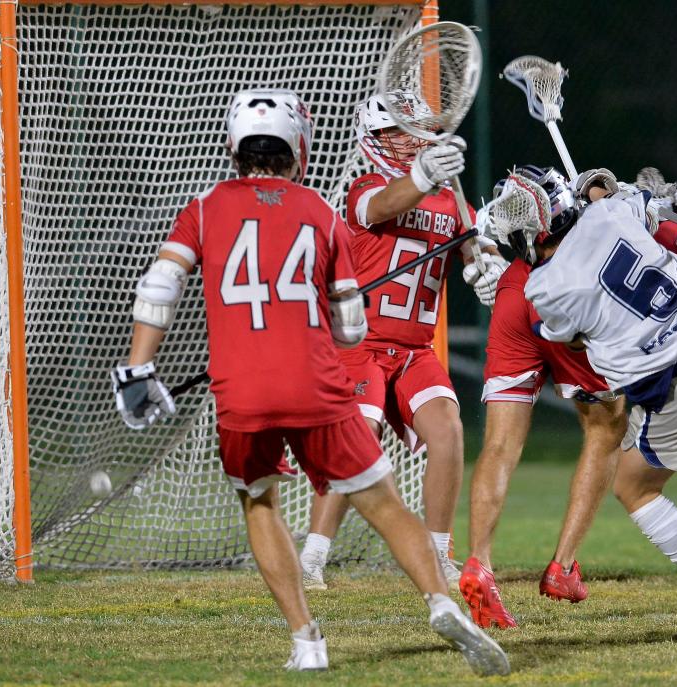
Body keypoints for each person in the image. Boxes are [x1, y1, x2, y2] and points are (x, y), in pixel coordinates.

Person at [110, 89, 509, 675]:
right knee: (381, 497)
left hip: (240, 387)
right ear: (300, 146)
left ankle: (306, 642)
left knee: (259, 501)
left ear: (233, 146)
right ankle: (439, 601)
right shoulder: (323, 208)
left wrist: (139, 370)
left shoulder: (204, 207)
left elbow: (160, 287)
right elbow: (350, 327)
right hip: (317, 378)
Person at [485, 165, 677, 625]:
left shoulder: (544, 286)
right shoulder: (608, 212)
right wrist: (606, 192)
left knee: (633, 487)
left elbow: (569, 338)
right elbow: (642, 199)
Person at [296, 91, 507, 590]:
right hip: (358, 345)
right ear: (374, 139)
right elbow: (383, 205)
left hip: (413, 350)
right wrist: (423, 176)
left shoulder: (452, 199)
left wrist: (487, 271)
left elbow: (478, 254)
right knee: (359, 438)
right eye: (399, 132)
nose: (412, 141)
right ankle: (312, 558)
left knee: (449, 431)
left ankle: (437, 554)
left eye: (416, 131)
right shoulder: (363, 186)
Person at [460, 166, 626, 628]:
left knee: (499, 445)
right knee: (605, 426)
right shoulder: (584, 222)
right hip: (566, 292)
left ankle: (479, 563)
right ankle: (563, 566)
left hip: (516, 290)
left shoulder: (516, 238)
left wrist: (485, 252)